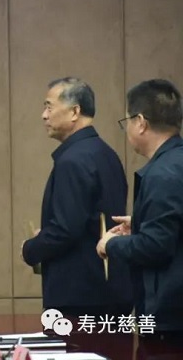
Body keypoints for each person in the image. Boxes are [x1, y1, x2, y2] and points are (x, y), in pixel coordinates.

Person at [22, 77, 133, 318]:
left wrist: (30, 249)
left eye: (49, 107)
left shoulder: (73, 160)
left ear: (74, 112)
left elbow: (65, 230)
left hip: (80, 296)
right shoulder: (106, 154)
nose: (44, 115)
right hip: (109, 290)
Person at [97, 79, 183, 355]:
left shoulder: (162, 174)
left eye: (127, 122)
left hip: (170, 323)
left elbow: (156, 246)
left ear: (141, 122)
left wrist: (111, 244)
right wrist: (141, 224)